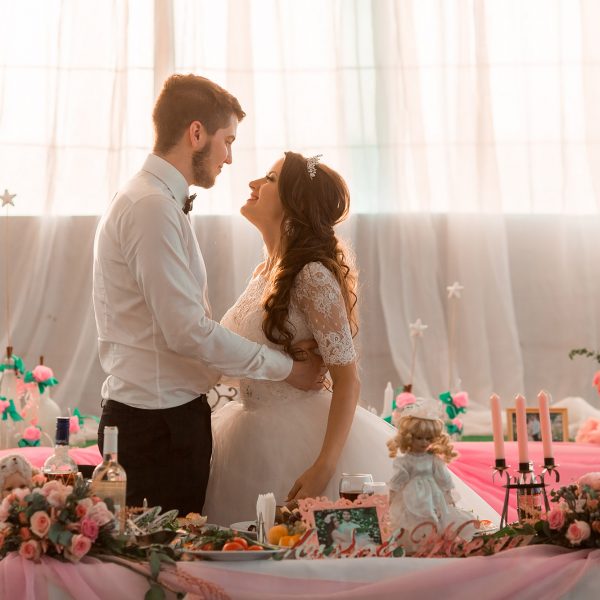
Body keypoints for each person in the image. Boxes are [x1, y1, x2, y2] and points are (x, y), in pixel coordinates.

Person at [203, 152, 500, 528]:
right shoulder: (263, 272)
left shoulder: (311, 275)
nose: (253, 184)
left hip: (300, 438)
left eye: (270, 179)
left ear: (296, 204)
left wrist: (323, 467)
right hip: (247, 434)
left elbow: (348, 379)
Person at [92, 75, 323, 515]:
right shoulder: (150, 208)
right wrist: (288, 370)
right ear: (196, 133)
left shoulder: (155, 201)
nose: (230, 158)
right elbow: (188, 332)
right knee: (160, 556)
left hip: (165, 420)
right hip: (156, 429)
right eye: (227, 141)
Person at [387, 397, 479, 553]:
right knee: (413, 519)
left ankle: (434, 543)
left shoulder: (433, 460)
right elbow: (397, 480)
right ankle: (415, 545)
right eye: (419, 438)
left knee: (436, 517)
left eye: (428, 439)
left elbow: (443, 479)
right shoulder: (405, 461)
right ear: (409, 437)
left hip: (433, 495)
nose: (424, 442)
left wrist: (448, 496)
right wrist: (392, 496)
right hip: (412, 496)